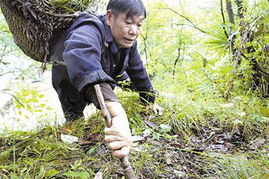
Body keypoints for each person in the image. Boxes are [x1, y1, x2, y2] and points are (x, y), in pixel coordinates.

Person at [49, 0, 162, 159]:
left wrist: (150, 100)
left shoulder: (128, 42)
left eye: (139, 25)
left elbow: (138, 72)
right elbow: (80, 54)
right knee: (75, 117)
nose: (133, 31)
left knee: (128, 83)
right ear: (109, 17)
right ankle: (76, 153)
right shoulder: (90, 28)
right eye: (128, 22)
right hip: (70, 82)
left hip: (109, 71)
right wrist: (116, 111)